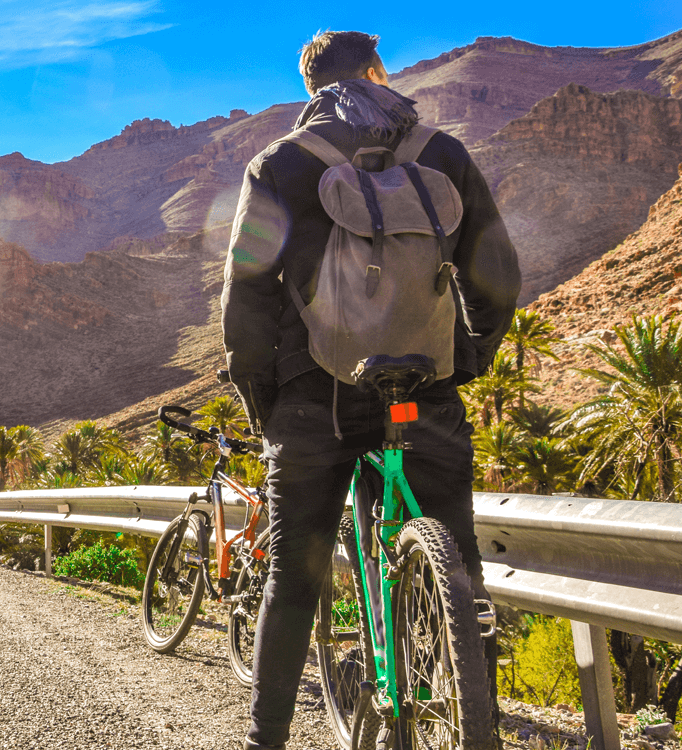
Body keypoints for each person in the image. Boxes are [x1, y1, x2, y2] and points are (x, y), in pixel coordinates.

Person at [219, 30, 520, 750]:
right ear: (379, 73)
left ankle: (266, 742)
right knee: (459, 568)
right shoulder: (440, 153)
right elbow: (498, 274)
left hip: (311, 399)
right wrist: (465, 359)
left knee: (294, 581)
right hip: (424, 391)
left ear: (310, 87)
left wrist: (265, 403)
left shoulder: (281, 163)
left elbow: (246, 297)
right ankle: (473, 716)